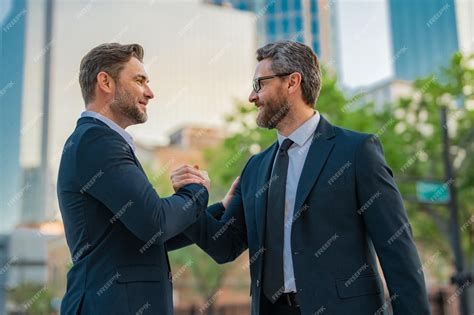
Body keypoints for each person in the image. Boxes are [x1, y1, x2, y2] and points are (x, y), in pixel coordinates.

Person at [179, 41, 431, 314]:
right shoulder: (255, 167)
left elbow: (397, 250)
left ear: (292, 82)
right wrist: (190, 198)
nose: (252, 97)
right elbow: (224, 246)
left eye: (259, 85)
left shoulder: (357, 152)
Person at [57, 43, 210, 314]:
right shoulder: (97, 141)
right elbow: (155, 222)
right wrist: (196, 191)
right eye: (140, 80)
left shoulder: (98, 141)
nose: (150, 93)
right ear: (105, 81)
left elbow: (145, 235)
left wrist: (221, 212)